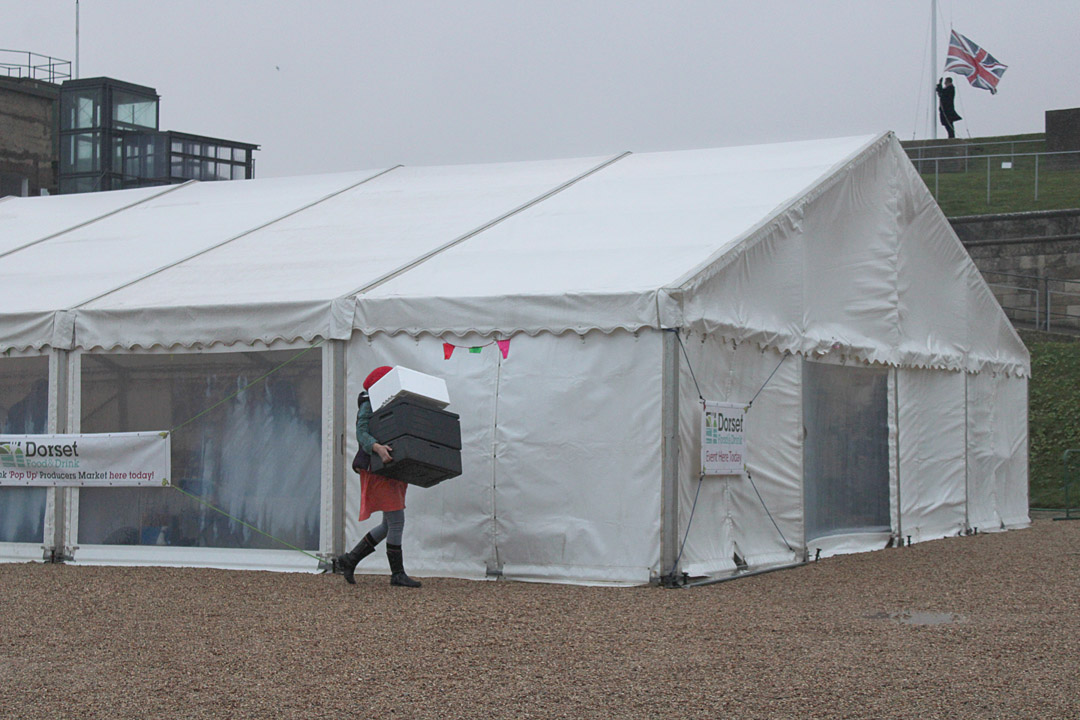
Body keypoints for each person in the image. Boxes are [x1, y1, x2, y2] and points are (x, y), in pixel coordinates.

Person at [337, 365, 422, 588]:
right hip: (377, 467)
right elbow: (361, 432)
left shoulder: (390, 402)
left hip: (390, 468)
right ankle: (397, 574)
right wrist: (376, 447)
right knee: (396, 521)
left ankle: (350, 559)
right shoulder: (369, 402)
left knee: (388, 524)